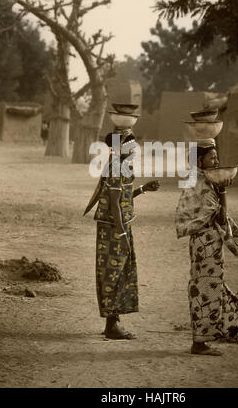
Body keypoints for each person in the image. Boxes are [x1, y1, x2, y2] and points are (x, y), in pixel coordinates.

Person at [175, 140, 238, 356]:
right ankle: (200, 343)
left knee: (206, 286)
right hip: (206, 243)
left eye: (216, 157)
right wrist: (223, 191)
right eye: (212, 157)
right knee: (207, 288)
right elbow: (220, 215)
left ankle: (207, 336)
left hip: (203, 242)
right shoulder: (201, 185)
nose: (216, 161)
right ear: (199, 160)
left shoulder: (197, 181)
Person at [84, 131, 160, 339]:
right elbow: (115, 206)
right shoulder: (116, 166)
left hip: (118, 225)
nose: (136, 149)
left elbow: (122, 197)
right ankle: (112, 325)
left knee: (119, 272)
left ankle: (113, 322)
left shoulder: (122, 166)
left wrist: (143, 189)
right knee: (113, 273)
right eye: (131, 146)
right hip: (113, 228)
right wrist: (123, 234)